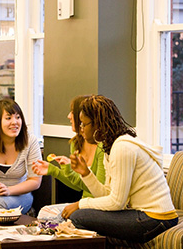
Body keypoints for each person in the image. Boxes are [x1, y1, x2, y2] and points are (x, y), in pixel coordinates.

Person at [65, 95, 178, 243]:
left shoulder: (123, 148)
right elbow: (109, 194)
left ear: (97, 124)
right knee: (81, 216)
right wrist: (86, 174)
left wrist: (80, 204)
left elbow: (117, 202)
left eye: (84, 124)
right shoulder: (111, 146)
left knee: (79, 217)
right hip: (146, 215)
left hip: (156, 218)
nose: (81, 129)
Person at [31, 95, 105, 221]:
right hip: (84, 203)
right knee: (45, 212)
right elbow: (79, 186)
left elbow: (98, 190)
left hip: (97, 205)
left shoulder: (102, 147)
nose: (69, 116)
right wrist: (53, 170)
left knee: (50, 217)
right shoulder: (76, 143)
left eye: (72, 112)